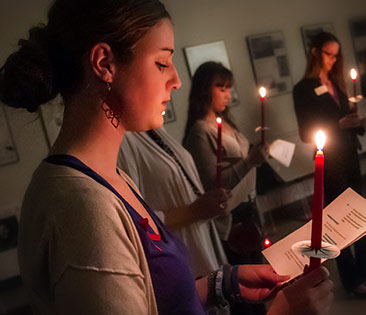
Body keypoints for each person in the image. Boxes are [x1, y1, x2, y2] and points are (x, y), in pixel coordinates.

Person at [0, 0, 333, 314]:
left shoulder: (108, 176)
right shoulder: (81, 207)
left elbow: (148, 294)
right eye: (161, 63)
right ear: (105, 64)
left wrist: (220, 285)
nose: (175, 81)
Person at [293, 31, 366, 298]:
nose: (333, 60)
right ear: (314, 52)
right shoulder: (304, 89)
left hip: (350, 155)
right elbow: (305, 131)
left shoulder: (336, 84)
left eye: (336, 55)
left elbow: (348, 119)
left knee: (360, 215)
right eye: (328, 54)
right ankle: (351, 278)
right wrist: (338, 125)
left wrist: (359, 123)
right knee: (339, 220)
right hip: (330, 161)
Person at [183, 62, 268, 266]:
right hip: (231, 215)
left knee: (259, 267)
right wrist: (249, 162)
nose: (227, 95)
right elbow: (213, 182)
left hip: (249, 206)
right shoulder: (200, 131)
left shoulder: (225, 123)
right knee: (244, 275)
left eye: (228, 88)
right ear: (204, 90)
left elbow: (238, 159)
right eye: (221, 88)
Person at [118, 127, 231, 278]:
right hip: (183, 266)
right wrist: (194, 211)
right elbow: (135, 223)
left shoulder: (155, 129)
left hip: (204, 248)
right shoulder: (122, 143)